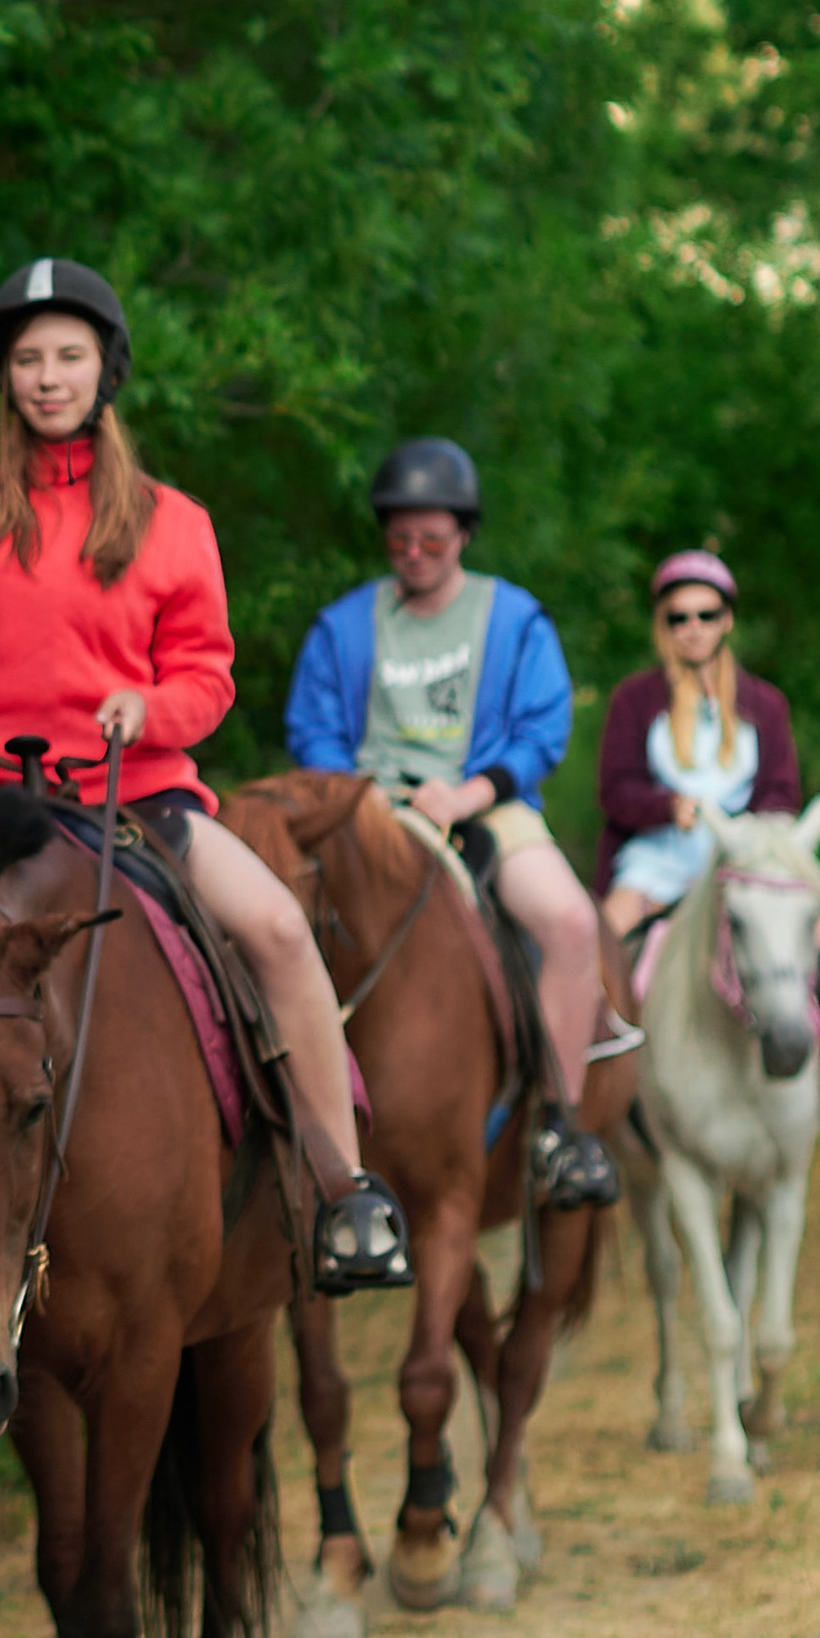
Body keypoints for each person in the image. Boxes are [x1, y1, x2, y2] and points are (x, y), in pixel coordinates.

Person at [0, 256, 413, 1295]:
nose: (46, 375)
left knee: (280, 931)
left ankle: (343, 1189)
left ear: (105, 369)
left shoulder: (175, 521)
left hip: (141, 799)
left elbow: (208, 672)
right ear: (7, 377)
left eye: (67, 355)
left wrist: (148, 709)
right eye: (27, 358)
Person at [285, 439, 618, 1209]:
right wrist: (364, 798)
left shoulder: (513, 617)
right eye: (399, 539)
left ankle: (559, 1127)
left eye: (431, 539)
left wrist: (467, 794)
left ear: (464, 533)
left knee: (570, 921)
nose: (414, 553)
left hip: (486, 804)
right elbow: (315, 730)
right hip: (365, 814)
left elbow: (543, 729)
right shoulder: (343, 626)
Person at [597, 549, 820, 1112]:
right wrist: (667, 806)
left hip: (745, 865)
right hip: (659, 860)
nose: (693, 629)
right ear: (661, 624)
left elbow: (782, 791)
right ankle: (595, 1110)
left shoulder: (766, 703)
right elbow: (614, 790)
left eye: (706, 615)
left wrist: (748, 832)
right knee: (596, 955)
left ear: (727, 620)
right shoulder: (635, 700)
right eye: (678, 617)